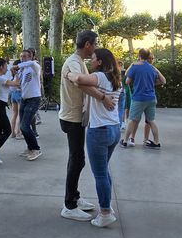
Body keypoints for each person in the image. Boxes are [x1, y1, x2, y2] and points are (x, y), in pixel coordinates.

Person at [59, 30, 113, 221]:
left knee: (77, 159)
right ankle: (69, 205)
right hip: (71, 118)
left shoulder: (79, 61)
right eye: (95, 44)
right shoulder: (74, 62)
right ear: (88, 44)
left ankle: (74, 196)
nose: (96, 48)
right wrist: (103, 97)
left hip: (76, 118)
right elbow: (79, 83)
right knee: (77, 160)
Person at [67, 48, 122, 227]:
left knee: (100, 174)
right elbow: (85, 87)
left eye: (93, 58)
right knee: (104, 171)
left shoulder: (100, 76)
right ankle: (107, 206)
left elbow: (80, 79)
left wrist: (69, 74)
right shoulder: (115, 79)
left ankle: (105, 213)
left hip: (99, 131)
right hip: (114, 129)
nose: (91, 61)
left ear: (99, 62)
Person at [122, 49, 166, 149]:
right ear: (148, 56)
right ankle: (156, 142)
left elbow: (127, 81)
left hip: (138, 98)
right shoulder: (152, 68)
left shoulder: (135, 66)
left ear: (139, 56)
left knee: (132, 120)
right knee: (151, 120)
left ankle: (125, 141)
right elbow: (162, 81)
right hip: (151, 98)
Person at [14, 49, 43, 161]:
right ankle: (30, 148)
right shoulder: (22, 70)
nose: (22, 58)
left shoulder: (35, 66)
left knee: (25, 125)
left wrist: (17, 66)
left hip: (33, 99)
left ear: (31, 57)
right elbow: (19, 83)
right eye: (21, 56)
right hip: (24, 99)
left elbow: (31, 63)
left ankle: (36, 149)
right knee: (23, 126)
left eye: (25, 56)